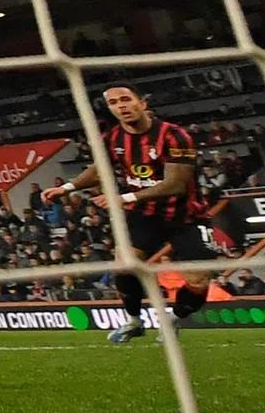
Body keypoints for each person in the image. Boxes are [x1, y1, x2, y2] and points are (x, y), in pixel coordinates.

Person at [41, 82, 216, 344]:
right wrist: (66, 188)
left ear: (142, 103)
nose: (121, 106)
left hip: (187, 216)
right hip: (142, 214)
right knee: (124, 267)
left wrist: (123, 198)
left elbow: (176, 184)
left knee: (199, 281)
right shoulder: (112, 138)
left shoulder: (174, 136)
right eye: (113, 103)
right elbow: (99, 170)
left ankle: (173, 318)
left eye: (125, 99)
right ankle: (134, 321)